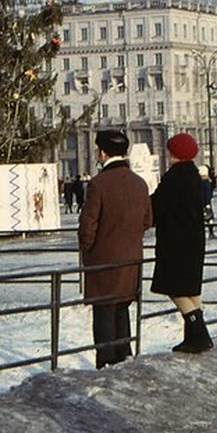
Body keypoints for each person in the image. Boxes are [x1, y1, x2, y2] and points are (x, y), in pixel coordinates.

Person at [78, 129, 153, 370]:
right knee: (122, 308)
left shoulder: (98, 184)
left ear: (102, 152)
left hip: (104, 258)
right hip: (131, 257)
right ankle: (124, 355)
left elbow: (87, 224)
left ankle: (106, 362)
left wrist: (88, 251)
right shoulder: (139, 183)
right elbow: (147, 220)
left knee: (104, 312)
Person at [150, 133, 213, 354]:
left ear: (175, 153)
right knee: (191, 290)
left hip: (176, 241)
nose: (167, 155)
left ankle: (199, 336)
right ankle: (195, 337)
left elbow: (157, 206)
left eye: (170, 151)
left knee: (174, 287)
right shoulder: (194, 175)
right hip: (193, 239)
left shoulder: (174, 177)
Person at [199, 165, 217, 239]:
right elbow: (208, 193)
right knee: (209, 218)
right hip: (206, 203)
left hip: (199, 203)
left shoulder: (198, 182)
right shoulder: (206, 182)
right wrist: (207, 203)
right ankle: (211, 232)